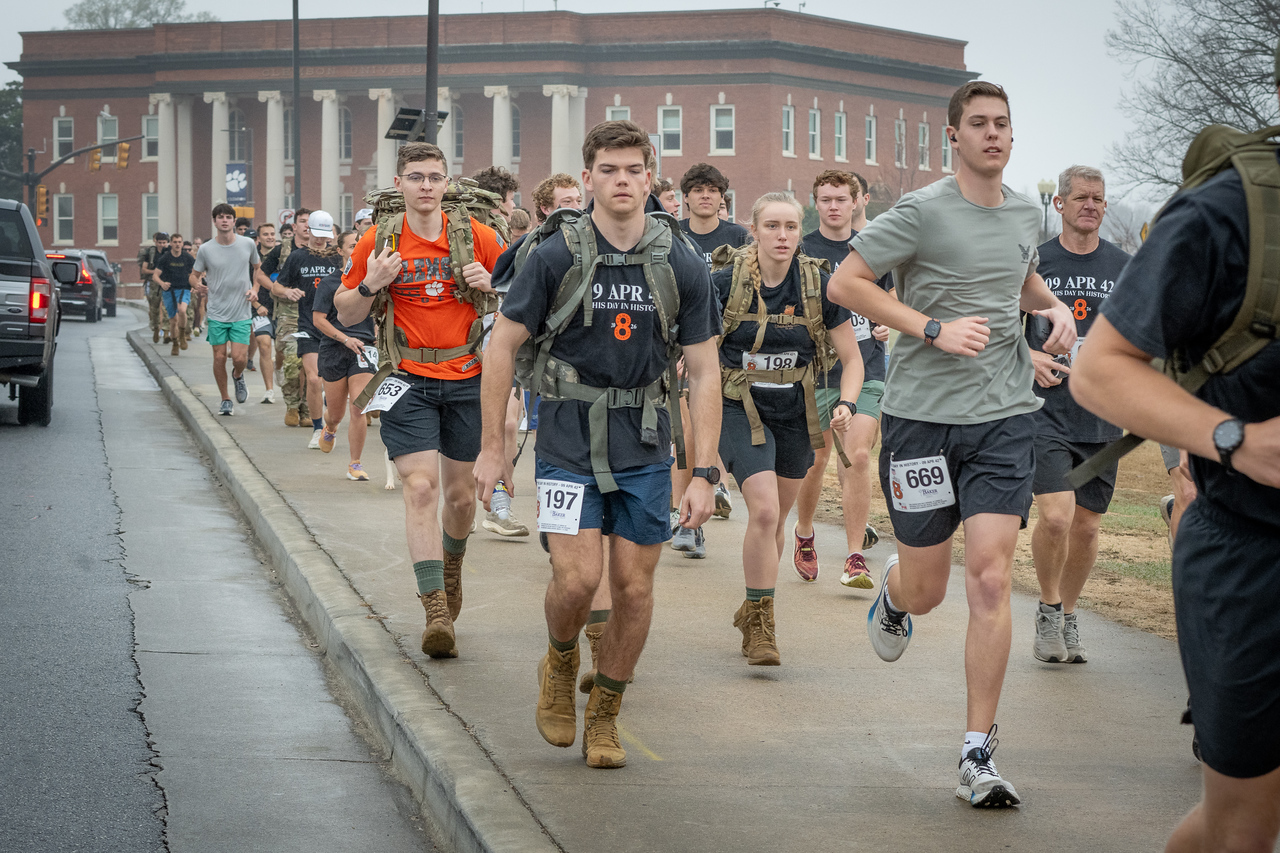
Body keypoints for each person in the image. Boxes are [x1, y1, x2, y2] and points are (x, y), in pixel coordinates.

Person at [828, 80, 1077, 808]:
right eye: (979, 124)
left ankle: (977, 752)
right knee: (930, 589)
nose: (993, 134)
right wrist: (931, 328)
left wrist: (1053, 306)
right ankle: (895, 592)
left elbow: (1015, 277)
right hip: (921, 422)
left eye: (1003, 123)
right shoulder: (922, 212)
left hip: (1003, 417)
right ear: (954, 136)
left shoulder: (1026, 212)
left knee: (991, 578)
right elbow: (847, 283)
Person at [1070, 52, 1280, 849]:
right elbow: (1101, 369)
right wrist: (1234, 440)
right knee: (1242, 828)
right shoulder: (1228, 214)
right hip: (1252, 556)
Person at [475, 119, 722, 769]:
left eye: (633, 170)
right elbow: (501, 346)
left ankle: (606, 712)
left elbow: (704, 370)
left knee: (634, 591)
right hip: (566, 439)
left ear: (651, 178)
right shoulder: (554, 254)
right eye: (608, 170)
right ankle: (560, 662)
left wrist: (704, 472)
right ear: (587, 179)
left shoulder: (681, 261)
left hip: (646, 444)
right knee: (578, 580)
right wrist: (492, 448)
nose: (621, 181)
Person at [336, 141, 504, 660]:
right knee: (421, 488)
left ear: (447, 184)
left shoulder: (478, 237)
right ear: (399, 184)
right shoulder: (378, 240)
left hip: (468, 377)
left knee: (460, 498)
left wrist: (494, 285)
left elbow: (525, 302)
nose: (425, 185)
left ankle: (451, 565)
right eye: (415, 177)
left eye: (434, 177)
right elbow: (345, 312)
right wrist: (371, 284)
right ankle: (435, 611)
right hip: (406, 377)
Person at [714, 192, 863, 665]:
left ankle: (753, 605)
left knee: (775, 520)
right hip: (738, 405)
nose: (783, 236)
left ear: (801, 231)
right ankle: (762, 625)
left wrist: (847, 403)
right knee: (762, 512)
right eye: (772, 226)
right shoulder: (725, 283)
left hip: (797, 409)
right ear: (753, 230)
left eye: (791, 227)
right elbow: (699, 350)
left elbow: (853, 358)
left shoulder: (819, 285)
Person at [1023, 165, 1130, 665]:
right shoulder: (1035, 261)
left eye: (1098, 198)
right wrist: (1029, 356)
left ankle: (1068, 614)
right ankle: (1047, 611)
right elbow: (1000, 325)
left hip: (1102, 417)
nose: (1091, 205)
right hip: (1045, 412)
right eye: (1082, 197)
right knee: (1056, 517)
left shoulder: (1125, 267)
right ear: (1059, 203)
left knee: (1086, 528)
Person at [793, 169, 893, 587]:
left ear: (857, 202)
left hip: (866, 368)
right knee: (815, 461)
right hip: (815, 373)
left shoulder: (874, 248)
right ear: (815, 203)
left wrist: (887, 321)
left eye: (840, 199)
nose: (833, 206)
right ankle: (804, 533)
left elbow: (891, 298)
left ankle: (855, 557)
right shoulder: (801, 249)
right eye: (825, 199)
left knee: (858, 455)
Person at [671, 162, 750, 556]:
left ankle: (708, 494)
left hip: (729, 347)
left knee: (710, 430)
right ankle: (681, 519)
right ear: (685, 197)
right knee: (683, 433)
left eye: (713, 190)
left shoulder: (739, 238)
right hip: (681, 345)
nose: (706, 195)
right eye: (698, 189)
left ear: (722, 197)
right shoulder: (672, 235)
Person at [312, 230, 375, 480]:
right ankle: (330, 427)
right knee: (337, 413)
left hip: (364, 348)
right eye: (352, 246)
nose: (357, 249)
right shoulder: (330, 282)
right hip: (335, 348)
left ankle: (355, 464)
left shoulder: (373, 279)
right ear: (340, 251)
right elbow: (318, 320)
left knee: (359, 407)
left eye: (360, 245)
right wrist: (345, 339)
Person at [276, 209, 340, 449]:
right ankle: (317, 429)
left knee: (331, 381)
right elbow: (276, 286)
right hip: (308, 324)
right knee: (314, 379)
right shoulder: (297, 257)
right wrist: (287, 291)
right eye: (317, 234)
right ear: (308, 230)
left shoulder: (337, 257)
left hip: (335, 325)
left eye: (325, 235)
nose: (321, 239)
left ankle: (331, 426)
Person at [190, 204, 261, 417]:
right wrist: (197, 285)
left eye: (228, 217)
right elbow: (193, 275)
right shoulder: (206, 249)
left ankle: (238, 376)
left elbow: (258, 269)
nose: (224, 220)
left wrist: (255, 289)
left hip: (241, 311)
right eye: (220, 217)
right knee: (219, 357)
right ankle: (225, 399)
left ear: (234, 221)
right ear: (214, 221)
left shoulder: (247, 244)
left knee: (239, 358)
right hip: (217, 312)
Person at [256, 209, 311, 427]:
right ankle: (292, 404)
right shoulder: (282, 250)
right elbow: (260, 274)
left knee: (311, 365)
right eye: (303, 221)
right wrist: (279, 289)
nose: (307, 225)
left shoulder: (322, 251)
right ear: (294, 226)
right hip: (289, 313)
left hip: (314, 313)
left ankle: (306, 408)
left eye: (310, 221)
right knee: (293, 360)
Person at [151, 232, 194, 357]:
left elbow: (196, 272)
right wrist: (162, 283)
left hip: (184, 288)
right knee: (173, 320)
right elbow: (155, 275)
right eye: (175, 242)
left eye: (179, 242)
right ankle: (175, 343)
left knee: (182, 310)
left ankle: (182, 335)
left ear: (182, 243)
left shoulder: (187, 257)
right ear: (170, 243)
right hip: (169, 290)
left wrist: (196, 284)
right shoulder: (165, 258)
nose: (177, 244)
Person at [250, 226, 278, 403]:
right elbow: (245, 285)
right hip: (260, 309)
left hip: (282, 310)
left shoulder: (282, 256)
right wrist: (256, 304)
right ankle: (269, 390)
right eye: (265, 234)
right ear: (258, 238)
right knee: (264, 344)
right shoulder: (251, 260)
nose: (270, 237)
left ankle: (279, 367)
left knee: (282, 351)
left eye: (272, 234)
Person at [140, 231, 170, 343]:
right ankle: (156, 328)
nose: (162, 245)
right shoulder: (150, 253)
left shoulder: (170, 252)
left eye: (164, 243)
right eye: (160, 242)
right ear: (156, 242)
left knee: (166, 308)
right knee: (154, 308)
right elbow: (144, 269)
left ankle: (166, 331)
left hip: (167, 283)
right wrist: (156, 272)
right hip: (154, 283)